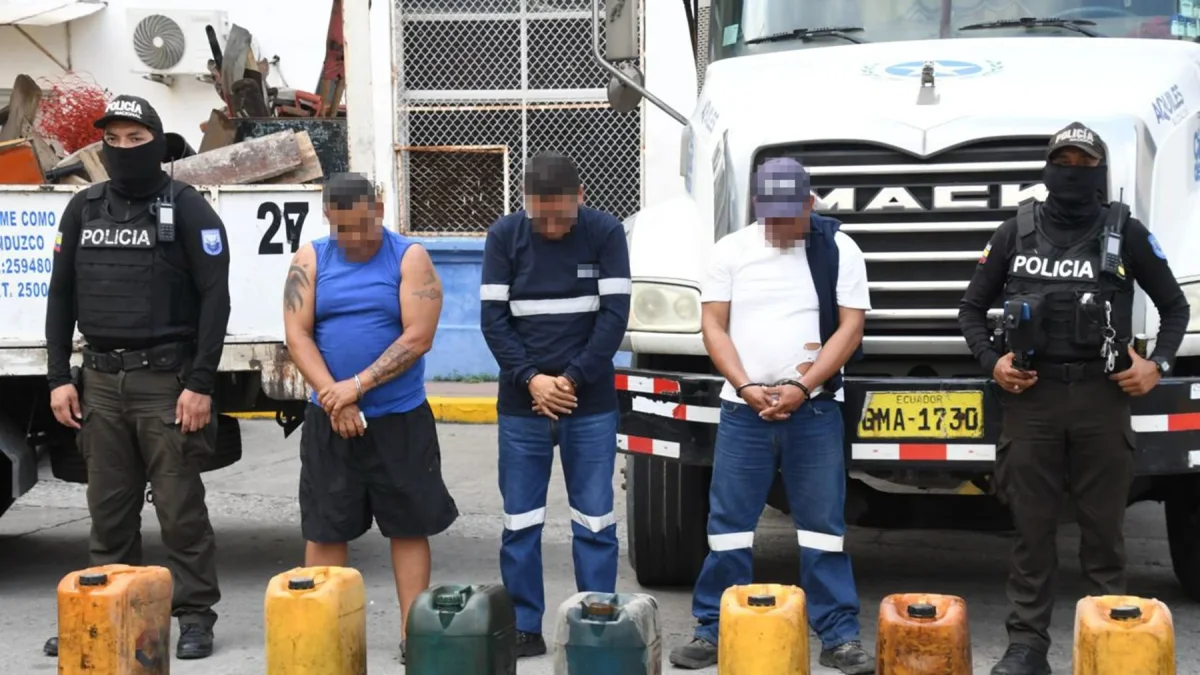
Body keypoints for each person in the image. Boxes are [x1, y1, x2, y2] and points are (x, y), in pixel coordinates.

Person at [957, 121, 1190, 675]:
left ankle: (1108, 640)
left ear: (1100, 173)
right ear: (1047, 169)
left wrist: (1155, 366)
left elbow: (1176, 308)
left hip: (1101, 399)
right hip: (1031, 402)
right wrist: (994, 364)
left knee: (1104, 533)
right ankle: (1026, 647)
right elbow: (970, 310)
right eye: (1064, 162)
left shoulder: (1124, 232)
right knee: (1032, 532)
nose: (1073, 173)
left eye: (1084, 164)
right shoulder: (1014, 231)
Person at [668, 157, 875, 674]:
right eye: (770, 216)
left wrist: (803, 387)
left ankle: (838, 634)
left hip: (815, 410)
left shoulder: (838, 249)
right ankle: (714, 628)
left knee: (823, 528)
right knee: (729, 528)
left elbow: (851, 329)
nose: (780, 227)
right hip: (744, 412)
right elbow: (713, 326)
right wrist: (745, 385)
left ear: (810, 204)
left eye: (790, 215)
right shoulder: (730, 251)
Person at [43, 94, 229, 659]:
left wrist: (200, 382)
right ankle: (108, 606)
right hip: (98, 378)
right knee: (109, 508)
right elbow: (61, 297)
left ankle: (194, 614)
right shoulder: (83, 208)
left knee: (179, 508)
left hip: (166, 383)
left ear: (157, 142)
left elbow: (215, 299)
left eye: (136, 139)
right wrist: (58, 376)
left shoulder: (189, 207)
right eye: (114, 140)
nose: (123, 149)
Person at [282, 172, 458, 664]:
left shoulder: (410, 257)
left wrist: (356, 387)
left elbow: (417, 337)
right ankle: (320, 635)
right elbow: (297, 335)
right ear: (327, 219)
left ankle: (413, 636)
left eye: (363, 225)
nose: (355, 238)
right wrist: (334, 398)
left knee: (408, 525)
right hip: (329, 418)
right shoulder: (311, 258)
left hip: (397, 418)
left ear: (379, 209)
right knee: (326, 528)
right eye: (344, 229)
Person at [479, 151, 631, 657]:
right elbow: (494, 321)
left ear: (580, 198)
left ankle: (595, 617)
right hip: (523, 406)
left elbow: (614, 317)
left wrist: (567, 380)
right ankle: (525, 626)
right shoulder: (504, 236)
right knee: (520, 520)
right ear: (525, 205)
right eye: (539, 216)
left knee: (595, 519)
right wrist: (531, 381)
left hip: (588, 404)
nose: (550, 227)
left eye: (560, 216)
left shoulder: (606, 233)